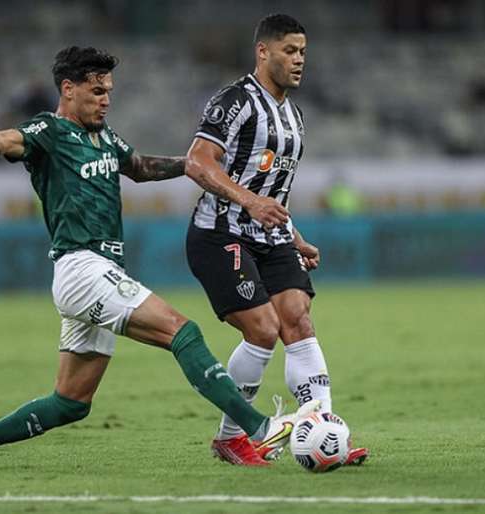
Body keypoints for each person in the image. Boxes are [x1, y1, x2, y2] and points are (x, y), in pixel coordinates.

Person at [0, 46, 319, 472]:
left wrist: (195, 165)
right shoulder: (47, 131)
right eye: (96, 91)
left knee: (70, 403)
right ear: (68, 90)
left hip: (101, 272)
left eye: (108, 90)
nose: (106, 99)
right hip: (81, 267)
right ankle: (257, 428)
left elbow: (141, 166)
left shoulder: (106, 137)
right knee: (183, 332)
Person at [184, 14, 368, 466]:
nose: (299, 60)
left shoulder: (294, 116)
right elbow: (197, 162)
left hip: (270, 236)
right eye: (290, 50)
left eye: (303, 51)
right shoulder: (235, 101)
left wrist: (296, 237)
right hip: (219, 233)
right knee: (264, 329)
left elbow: (273, 195)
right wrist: (249, 203)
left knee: (298, 320)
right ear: (263, 52)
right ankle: (231, 438)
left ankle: (323, 431)